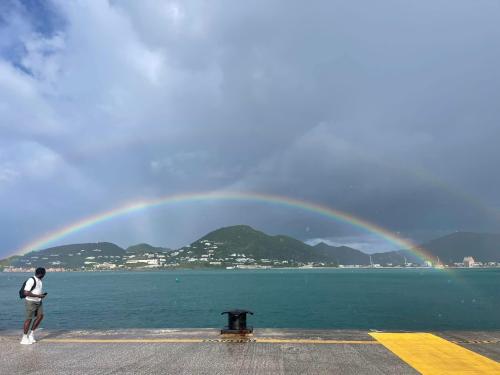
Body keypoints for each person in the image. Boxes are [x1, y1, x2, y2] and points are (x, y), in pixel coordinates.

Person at [20, 267, 47, 345]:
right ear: (42, 274)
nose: (45, 275)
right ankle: (24, 338)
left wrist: (40, 296)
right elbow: (26, 292)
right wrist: (38, 296)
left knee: (40, 316)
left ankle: (31, 334)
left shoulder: (40, 281)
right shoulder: (31, 280)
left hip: (38, 301)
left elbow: (36, 291)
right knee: (29, 319)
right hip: (31, 302)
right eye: (44, 274)